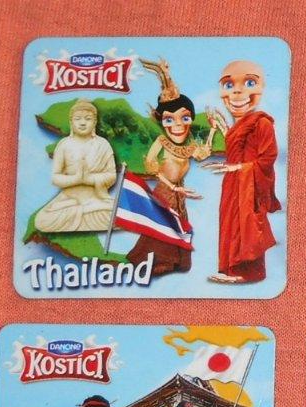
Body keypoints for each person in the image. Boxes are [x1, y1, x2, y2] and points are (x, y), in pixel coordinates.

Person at [128, 57, 209, 272]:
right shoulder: (161, 142)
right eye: (169, 120)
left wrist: (212, 130)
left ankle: (178, 260)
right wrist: (172, 186)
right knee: (163, 223)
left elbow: (201, 154)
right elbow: (151, 165)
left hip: (179, 194)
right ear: (162, 121)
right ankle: (157, 261)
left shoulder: (189, 143)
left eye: (184, 118)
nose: (177, 125)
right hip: (165, 192)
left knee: (179, 223)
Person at [205, 60, 280, 284]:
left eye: (249, 83)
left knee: (248, 225)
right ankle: (230, 270)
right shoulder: (238, 125)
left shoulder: (262, 123)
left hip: (249, 183)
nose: (237, 92)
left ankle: (249, 273)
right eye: (229, 85)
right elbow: (237, 146)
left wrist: (239, 168)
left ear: (261, 88)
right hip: (232, 183)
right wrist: (220, 128)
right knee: (230, 222)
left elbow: (268, 158)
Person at [34, 99, 118, 233]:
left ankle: (83, 210)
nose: (83, 123)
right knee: (42, 221)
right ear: (71, 122)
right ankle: (85, 210)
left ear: (95, 122)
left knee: (120, 217)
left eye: (88, 119)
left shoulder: (103, 144)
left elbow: (112, 176)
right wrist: (76, 179)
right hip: (69, 197)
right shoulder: (64, 145)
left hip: (96, 197)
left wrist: (89, 179)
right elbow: (55, 178)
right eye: (78, 119)